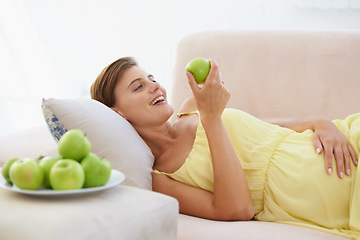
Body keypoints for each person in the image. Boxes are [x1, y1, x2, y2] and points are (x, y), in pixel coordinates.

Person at [91, 57, 360, 239]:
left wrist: (322, 124)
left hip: (340, 140)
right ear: (118, 114)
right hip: (316, 191)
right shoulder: (160, 179)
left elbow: (268, 135)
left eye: (151, 78)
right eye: (139, 87)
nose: (154, 86)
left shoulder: (190, 108)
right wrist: (211, 119)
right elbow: (237, 210)